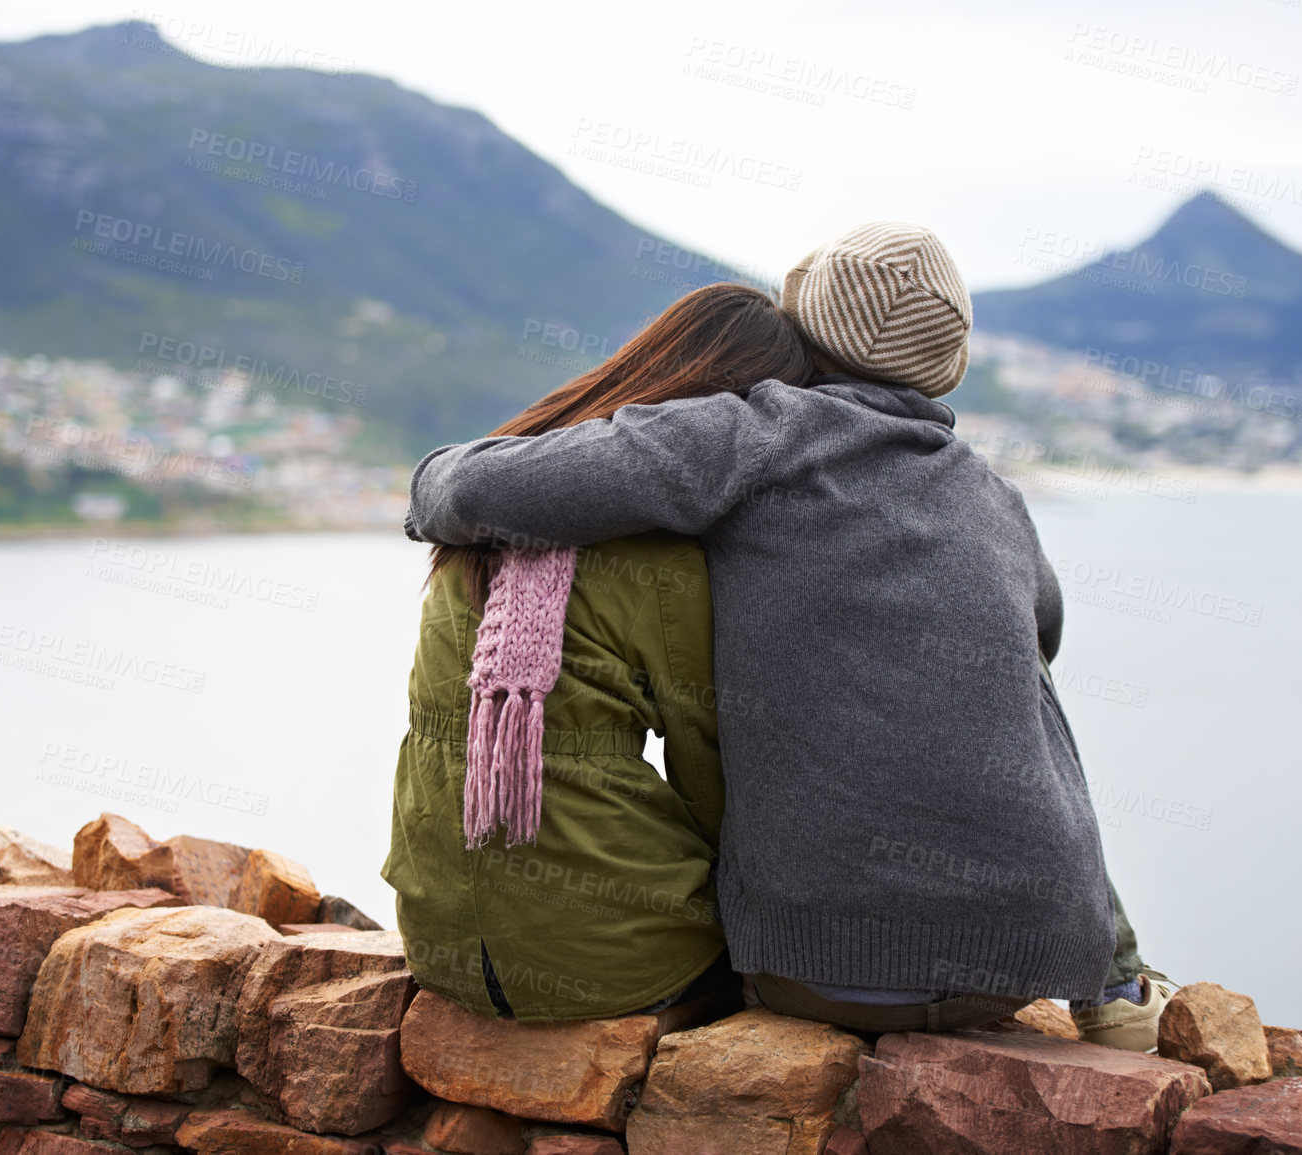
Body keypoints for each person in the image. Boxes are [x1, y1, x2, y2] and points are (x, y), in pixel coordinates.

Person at [404, 222, 1172, 1043]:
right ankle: (1119, 984)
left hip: (819, 972)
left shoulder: (754, 433)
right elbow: (1038, 641)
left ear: (807, 324)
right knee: (1026, 686)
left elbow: (479, 485)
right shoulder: (994, 499)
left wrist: (432, 476)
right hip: (1015, 969)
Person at [381, 282, 814, 1020]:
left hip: (440, 936)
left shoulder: (473, 519)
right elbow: (714, 774)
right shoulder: (660, 563)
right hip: (617, 957)